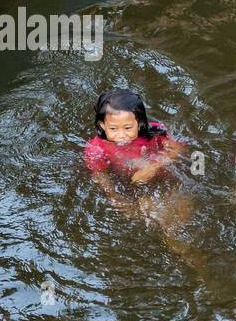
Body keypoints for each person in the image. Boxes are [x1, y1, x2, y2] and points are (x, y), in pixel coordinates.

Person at [84, 88, 197, 256]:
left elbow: (179, 150)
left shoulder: (155, 133)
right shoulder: (96, 148)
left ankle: (183, 247)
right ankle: (178, 249)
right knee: (162, 223)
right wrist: (117, 199)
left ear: (140, 123)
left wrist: (153, 167)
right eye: (113, 128)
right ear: (102, 125)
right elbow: (101, 176)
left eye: (128, 127)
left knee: (184, 222)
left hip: (165, 179)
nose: (121, 135)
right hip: (131, 186)